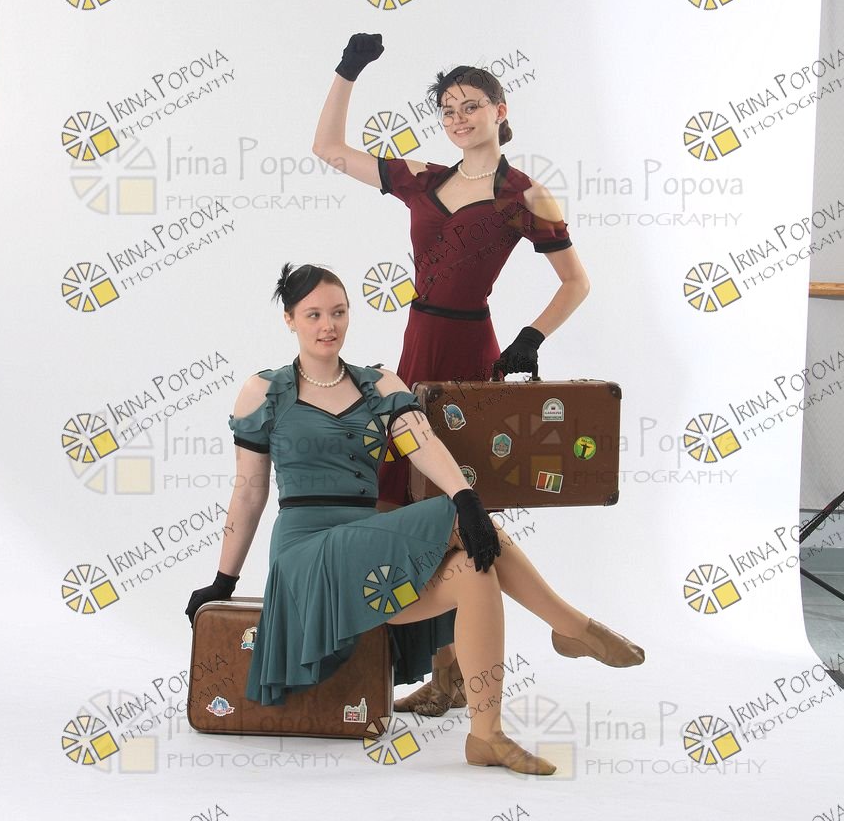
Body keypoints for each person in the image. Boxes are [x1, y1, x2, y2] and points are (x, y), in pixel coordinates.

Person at [185, 263, 645, 777]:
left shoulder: (380, 384)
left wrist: (464, 496)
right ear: (290, 320)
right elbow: (249, 492)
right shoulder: (263, 391)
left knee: (474, 570)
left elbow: (422, 443)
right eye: (313, 315)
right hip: (307, 554)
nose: (328, 325)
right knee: (466, 519)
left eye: (338, 312)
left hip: (367, 549)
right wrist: (223, 580)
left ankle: (486, 735)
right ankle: (571, 626)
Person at [311, 33, 593, 717]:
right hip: (418, 346)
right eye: (447, 110)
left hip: (472, 355)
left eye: (471, 106)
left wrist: (531, 336)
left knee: (461, 510)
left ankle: (462, 674)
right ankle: (439, 671)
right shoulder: (424, 178)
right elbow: (329, 148)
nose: (458, 118)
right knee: (403, 503)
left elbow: (576, 283)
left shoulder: (526, 195)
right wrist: (348, 71)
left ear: (500, 110)